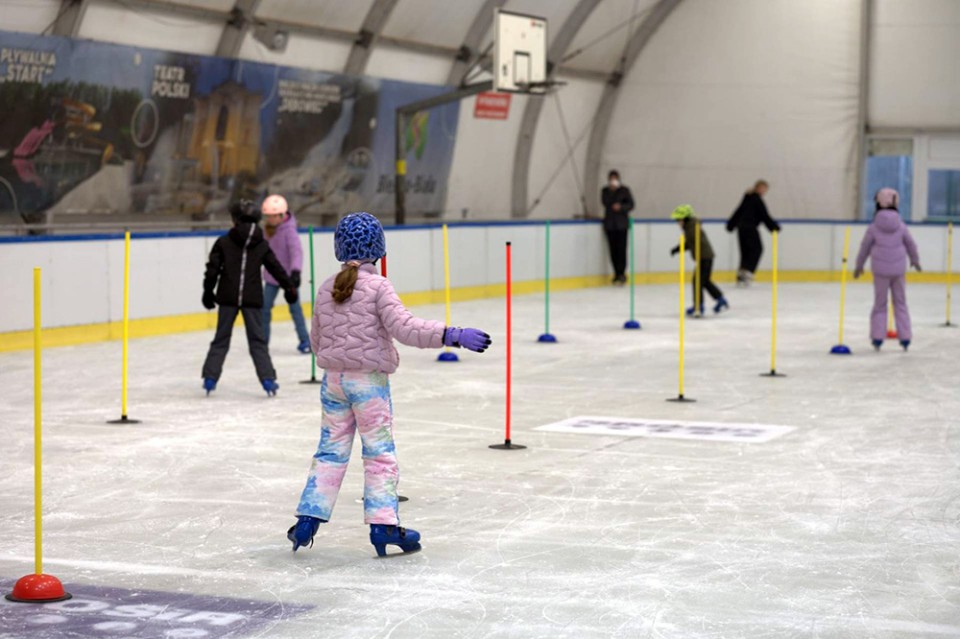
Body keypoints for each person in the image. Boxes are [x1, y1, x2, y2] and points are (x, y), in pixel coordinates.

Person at [287, 212, 492, 557]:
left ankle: (307, 519)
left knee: (330, 451)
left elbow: (317, 339)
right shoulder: (379, 286)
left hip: (333, 382)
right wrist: (451, 335)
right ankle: (383, 526)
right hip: (368, 383)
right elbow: (406, 328)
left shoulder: (326, 287)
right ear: (379, 249)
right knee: (379, 454)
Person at [201, 200, 299, 396]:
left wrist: (208, 291)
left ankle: (210, 378)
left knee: (221, 339)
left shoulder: (224, 242)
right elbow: (275, 267)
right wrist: (289, 286)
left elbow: (212, 270)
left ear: (235, 220)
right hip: (252, 299)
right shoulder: (261, 245)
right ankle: (268, 380)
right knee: (257, 341)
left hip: (228, 297)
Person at [854, 188, 921, 351]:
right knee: (900, 303)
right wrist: (915, 260)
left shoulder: (873, 227)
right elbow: (910, 244)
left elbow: (865, 247)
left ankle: (877, 337)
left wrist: (859, 265)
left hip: (880, 271)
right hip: (898, 271)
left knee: (880, 304)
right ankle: (905, 338)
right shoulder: (901, 226)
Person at [261, 194, 310, 354]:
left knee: (295, 310)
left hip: (288, 278)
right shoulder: (266, 230)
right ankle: (263, 341)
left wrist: (296, 272)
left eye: (273, 216)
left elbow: (297, 252)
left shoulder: (289, 231)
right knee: (264, 308)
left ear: (282, 215)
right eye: (267, 216)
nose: (270, 219)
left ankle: (305, 341)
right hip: (271, 277)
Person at [670, 205, 729, 315]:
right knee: (704, 281)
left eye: (678, 219)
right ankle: (720, 300)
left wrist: (678, 249)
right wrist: (678, 249)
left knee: (697, 281)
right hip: (705, 257)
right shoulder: (691, 227)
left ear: (685, 218)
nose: (677, 222)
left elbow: (689, 243)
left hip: (704, 257)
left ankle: (699, 306)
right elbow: (691, 243)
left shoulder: (691, 228)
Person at [726, 180, 780, 287]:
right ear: (758, 187)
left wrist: (731, 225)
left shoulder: (747, 198)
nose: (764, 191)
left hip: (741, 229)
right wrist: (774, 227)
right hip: (750, 228)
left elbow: (738, 211)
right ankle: (748, 271)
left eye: (765, 189)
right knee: (757, 249)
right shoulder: (756, 199)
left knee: (745, 252)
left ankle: (741, 275)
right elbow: (764, 215)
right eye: (763, 188)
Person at [600, 170, 635, 285]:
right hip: (610, 225)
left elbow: (631, 204)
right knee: (613, 250)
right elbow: (605, 202)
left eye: (615, 179)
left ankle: (622, 273)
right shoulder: (605, 191)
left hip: (622, 225)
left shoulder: (624, 190)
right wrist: (612, 192)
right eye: (611, 179)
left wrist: (621, 207)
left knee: (622, 249)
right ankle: (615, 273)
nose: (613, 181)